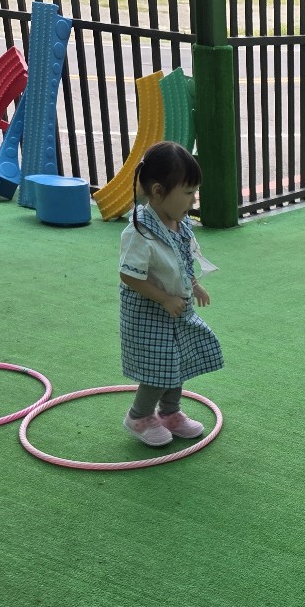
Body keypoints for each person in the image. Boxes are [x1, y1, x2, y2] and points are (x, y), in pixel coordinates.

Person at [118, 141, 223, 446]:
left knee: (178, 360)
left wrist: (194, 284)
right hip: (149, 312)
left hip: (177, 308)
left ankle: (170, 413)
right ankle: (139, 416)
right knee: (158, 367)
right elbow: (128, 275)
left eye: (195, 191)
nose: (193, 199)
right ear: (158, 191)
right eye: (188, 192)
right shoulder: (139, 232)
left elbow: (181, 259)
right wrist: (164, 298)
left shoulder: (180, 222)